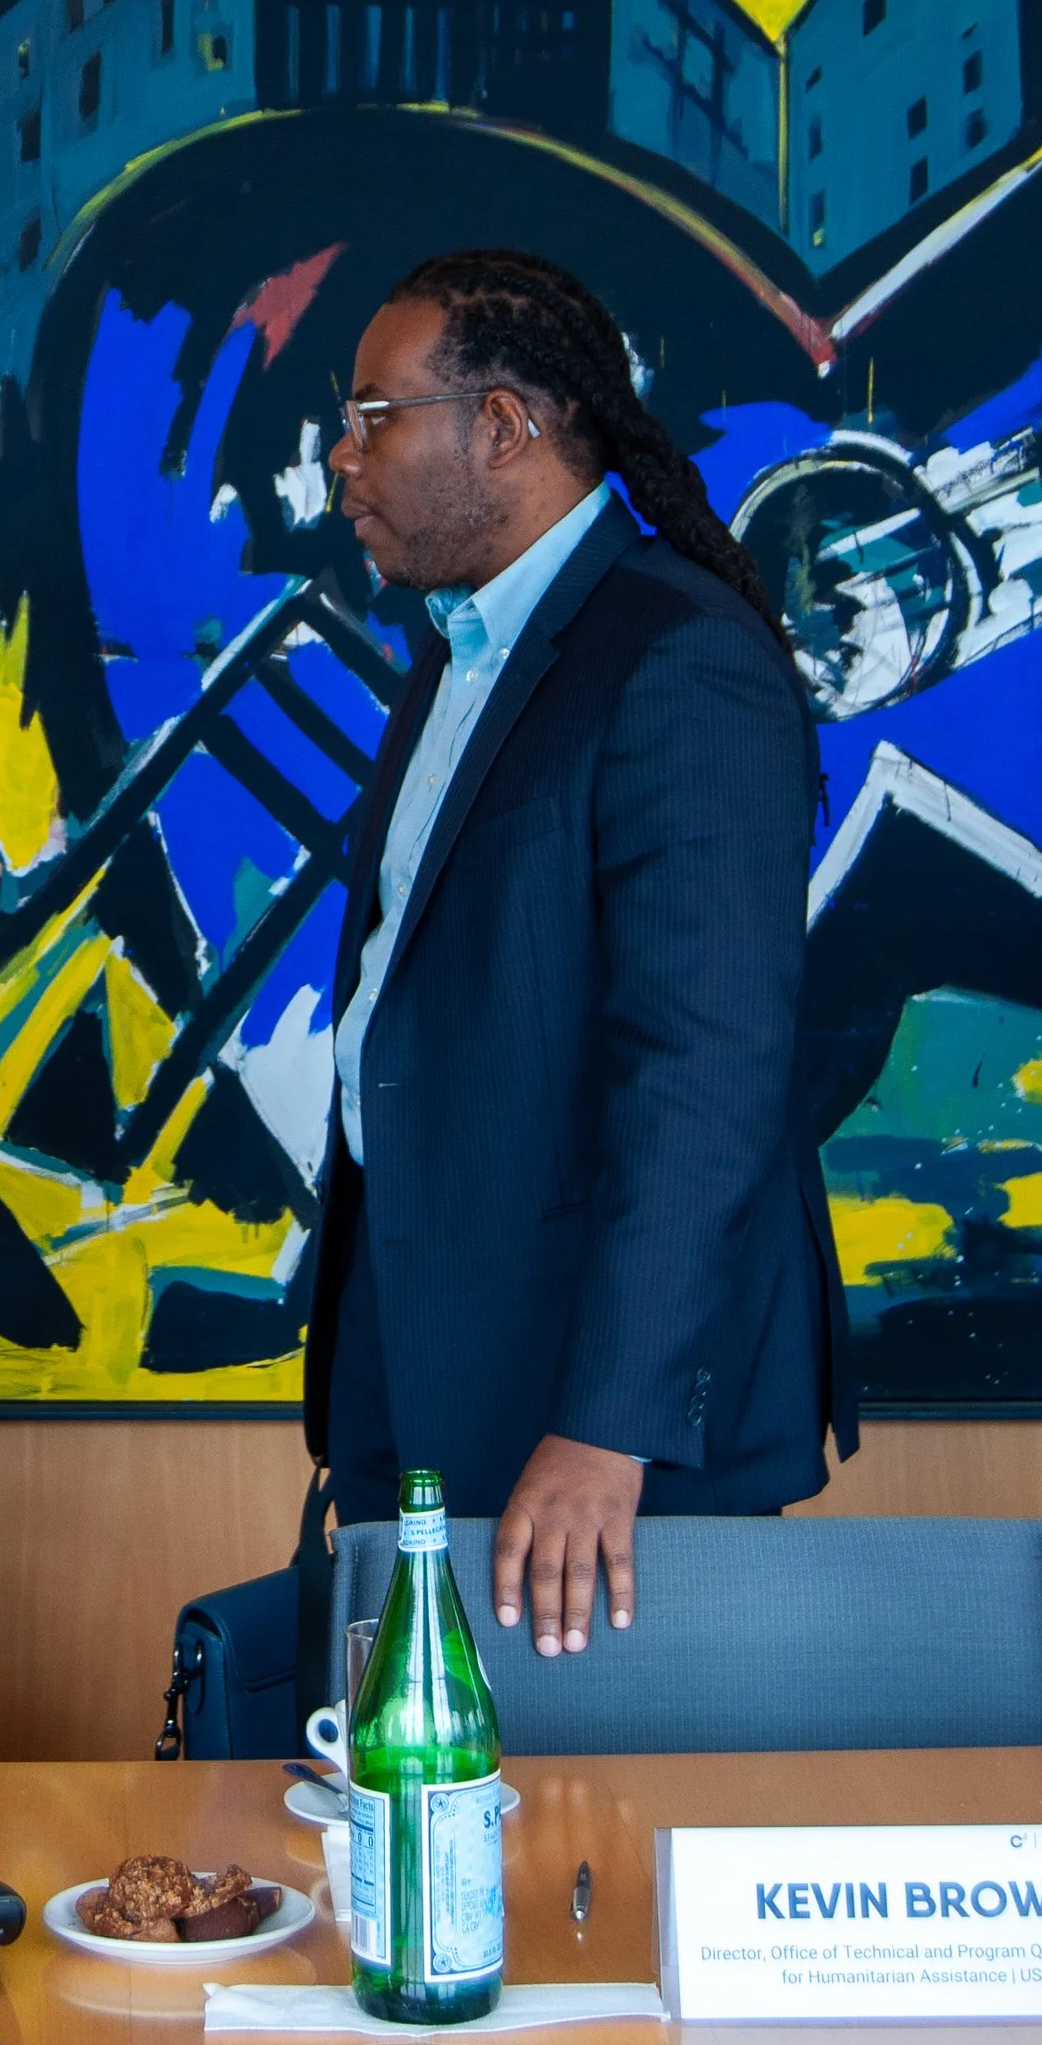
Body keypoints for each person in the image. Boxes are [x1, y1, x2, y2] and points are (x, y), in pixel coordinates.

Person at [304, 248, 855, 1654]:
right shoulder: (461, 649)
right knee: (419, 1811)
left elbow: (705, 1068)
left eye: (373, 418)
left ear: (504, 427)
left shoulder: (679, 656)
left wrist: (608, 1428)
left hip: (597, 1418)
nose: (340, 463)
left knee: (605, 1846)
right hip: (425, 1358)